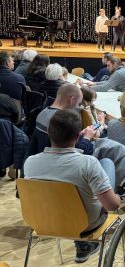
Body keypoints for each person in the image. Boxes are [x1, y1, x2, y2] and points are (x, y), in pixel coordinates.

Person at [24, 109, 120, 263]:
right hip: (86, 225)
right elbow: (112, 206)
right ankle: (84, 243)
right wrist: (118, 199)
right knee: (107, 164)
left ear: (49, 132)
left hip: (43, 222)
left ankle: (82, 245)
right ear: (77, 137)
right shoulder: (88, 163)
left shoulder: (30, 163)